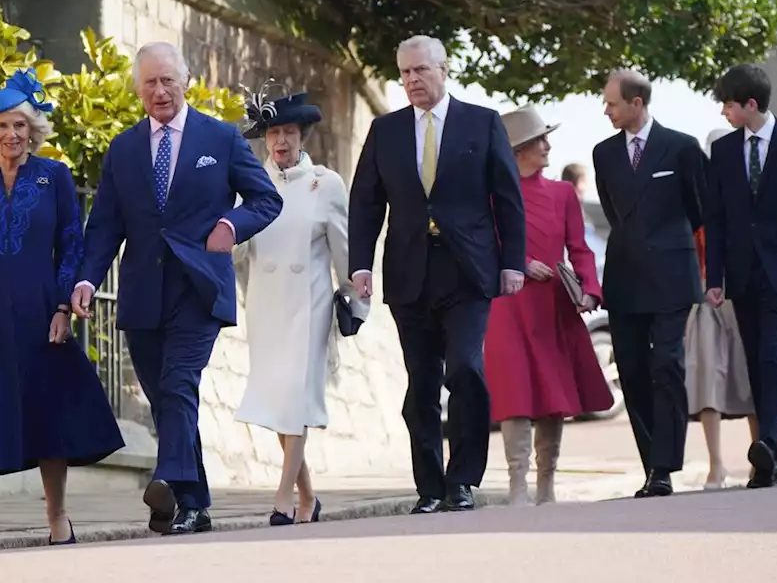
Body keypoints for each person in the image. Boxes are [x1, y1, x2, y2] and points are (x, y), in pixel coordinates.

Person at [70, 42, 283, 534]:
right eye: (150, 82)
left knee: (178, 384)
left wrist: (231, 224)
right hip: (143, 292)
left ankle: (166, 480)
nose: (160, 91)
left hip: (199, 288)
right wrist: (86, 278)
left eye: (168, 80)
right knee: (167, 401)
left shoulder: (221, 137)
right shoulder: (123, 149)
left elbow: (265, 199)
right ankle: (195, 504)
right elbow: (104, 226)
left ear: (185, 80)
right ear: (138, 89)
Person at [0, 70, 125, 553]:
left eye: (20, 125)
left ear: (33, 130)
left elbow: (71, 243)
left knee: (46, 410)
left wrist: (64, 305)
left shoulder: (54, 176)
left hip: (42, 310)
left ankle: (57, 517)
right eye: (2, 126)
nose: (11, 135)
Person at [348, 34, 525, 514]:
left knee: (465, 368)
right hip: (409, 271)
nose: (411, 80)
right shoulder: (385, 131)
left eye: (420, 71)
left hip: (467, 270)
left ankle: (463, 480)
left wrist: (512, 262)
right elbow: (365, 201)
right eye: (404, 73)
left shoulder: (482, 123)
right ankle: (429, 487)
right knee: (421, 383)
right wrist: (360, 265)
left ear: (444, 70)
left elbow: (508, 198)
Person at [233, 90, 367, 525]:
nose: (281, 141)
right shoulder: (252, 182)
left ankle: (282, 497)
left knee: (295, 396)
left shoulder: (325, 183)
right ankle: (308, 496)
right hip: (265, 303)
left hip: (308, 303)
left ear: (302, 135)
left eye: (289, 131)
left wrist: (356, 297)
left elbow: (343, 249)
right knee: (277, 404)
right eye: (274, 132)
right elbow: (236, 246)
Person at [704, 63, 777, 489]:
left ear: (751, 105)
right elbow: (715, 219)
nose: (724, 113)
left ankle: (768, 445)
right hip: (740, 273)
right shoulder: (722, 151)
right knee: (756, 361)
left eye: (729, 105)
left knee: (774, 352)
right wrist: (714, 277)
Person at [485, 106, 613, 506]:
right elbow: (482, 245)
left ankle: (547, 485)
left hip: (553, 305)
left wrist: (590, 288)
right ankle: (517, 485)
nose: (548, 145)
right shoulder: (491, 193)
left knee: (553, 395)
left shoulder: (562, 194)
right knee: (515, 393)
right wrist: (520, 263)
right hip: (508, 305)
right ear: (519, 149)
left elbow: (580, 249)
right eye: (540, 140)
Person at [591, 69, 706, 498]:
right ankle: (650, 466)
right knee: (634, 370)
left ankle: (664, 466)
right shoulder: (603, 153)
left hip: (673, 275)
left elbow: (700, 211)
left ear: (637, 103)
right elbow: (613, 210)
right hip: (625, 276)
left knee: (667, 365)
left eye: (613, 103)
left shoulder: (681, 148)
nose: (606, 110)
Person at [686, 127, 777, 490]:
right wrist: (711, 281)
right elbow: (711, 232)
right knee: (716, 377)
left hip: (766, 282)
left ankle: (771, 450)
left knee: (767, 360)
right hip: (718, 295)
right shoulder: (710, 190)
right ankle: (724, 464)